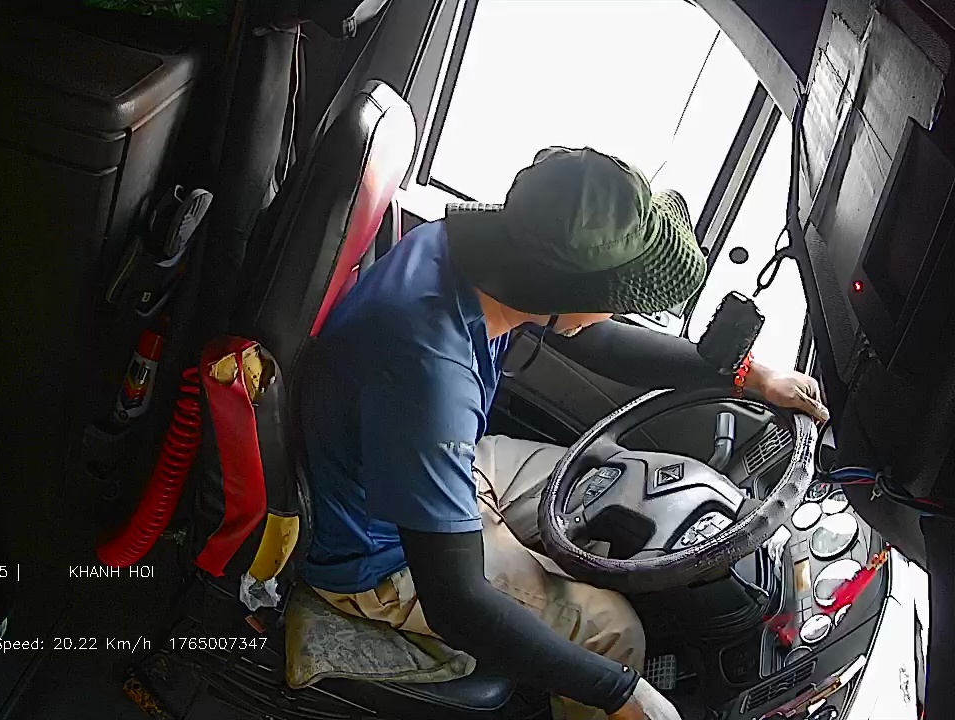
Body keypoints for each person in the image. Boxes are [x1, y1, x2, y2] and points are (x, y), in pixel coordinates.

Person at [298, 147, 829, 720]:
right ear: (562, 297)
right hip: (380, 554)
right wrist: (622, 693)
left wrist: (749, 375)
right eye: (612, 302)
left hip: (433, 463)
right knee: (613, 632)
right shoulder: (430, 373)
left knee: (606, 476)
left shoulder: (469, 253)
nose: (611, 316)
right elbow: (455, 601)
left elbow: (603, 342)